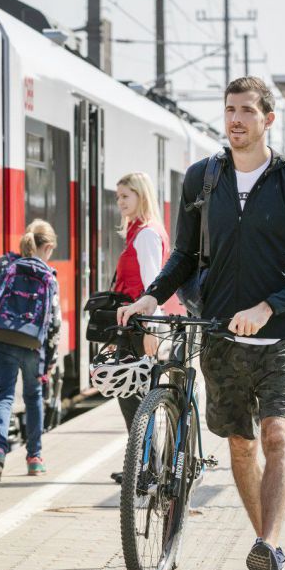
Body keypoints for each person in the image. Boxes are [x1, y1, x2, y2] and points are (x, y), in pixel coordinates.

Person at [119, 76, 285, 570]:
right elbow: (185, 254)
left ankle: (267, 544)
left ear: (268, 120)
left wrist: (268, 307)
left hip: (278, 336)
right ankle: (269, 546)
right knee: (240, 446)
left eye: (246, 111)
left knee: (276, 436)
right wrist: (152, 294)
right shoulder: (203, 179)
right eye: (230, 109)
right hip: (218, 334)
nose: (235, 119)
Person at [0, 220, 61, 479]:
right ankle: (34, 458)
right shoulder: (47, 273)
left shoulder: (0, 266)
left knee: (3, 397)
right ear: (48, 247)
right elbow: (54, 322)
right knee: (33, 398)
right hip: (34, 346)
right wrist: (51, 360)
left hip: (3, 340)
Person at [108, 172, 170, 484]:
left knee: (130, 393)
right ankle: (147, 465)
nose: (119, 203)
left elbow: (151, 286)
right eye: (118, 197)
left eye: (125, 196)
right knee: (133, 392)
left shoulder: (146, 234)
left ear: (141, 196)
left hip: (139, 326)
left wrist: (149, 329)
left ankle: (149, 467)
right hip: (133, 325)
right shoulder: (139, 232)